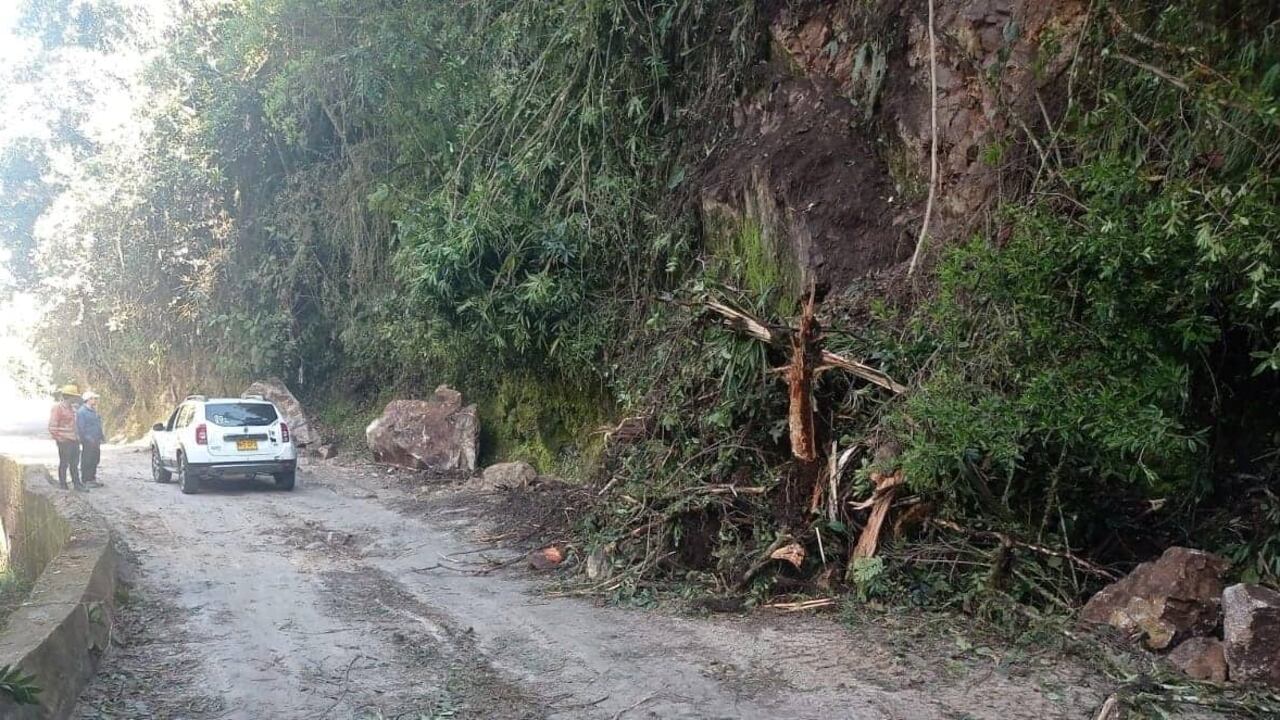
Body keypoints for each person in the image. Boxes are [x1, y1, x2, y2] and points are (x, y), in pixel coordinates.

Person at [48, 384, 85, 491]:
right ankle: (63, 484)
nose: (76, 398)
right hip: (64, 440)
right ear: (69, 396)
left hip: (74, 439)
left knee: (74, 463)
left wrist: (77, 437)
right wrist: (59, 438)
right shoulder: (57, 408)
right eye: (75, 396)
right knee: (64, 463)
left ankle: (77, 484)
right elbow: (52, 426)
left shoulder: (73, 409)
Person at [77, 391, 106, 488]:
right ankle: (86, 480)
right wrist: (88, 439)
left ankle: (92, 479)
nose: (95, 400)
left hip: (96, 440)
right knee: (87, 460)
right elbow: (81, 428)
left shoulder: (93, 411)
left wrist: (101, 436)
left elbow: (98, 424)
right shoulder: (82, 412)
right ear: (88, 400)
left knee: (95, 459)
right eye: (93, 398)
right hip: (88, 441)